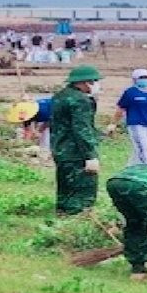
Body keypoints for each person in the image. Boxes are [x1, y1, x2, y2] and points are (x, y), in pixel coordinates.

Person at [51, 65, 103, 215]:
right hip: (76, 152)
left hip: (60, 148)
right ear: (84, 82)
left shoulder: (59, 96)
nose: (95, 85)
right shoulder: (80, 101)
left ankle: (62, 214)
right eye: (93, 81)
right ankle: (78, 217)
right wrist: (90, 155)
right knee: (83, 189)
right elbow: (82, 129)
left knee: (65, 186)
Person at [107, 68, 147, 166]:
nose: (144, 79)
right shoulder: (130, 93)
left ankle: (131, 168)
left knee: (141, 148)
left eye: (146, 77)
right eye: (141, 77)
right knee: (143, 147)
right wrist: (113, 123)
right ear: (135, 79)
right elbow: (120, 109)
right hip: (136, 123)